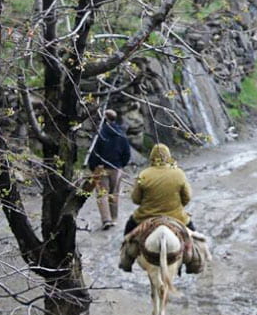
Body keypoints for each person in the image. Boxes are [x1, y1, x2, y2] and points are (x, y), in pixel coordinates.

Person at [119, 144, 202, 273]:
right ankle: (194, 263)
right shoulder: (179, 173)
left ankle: (126, 260)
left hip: (146, 216)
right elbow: (187, 197)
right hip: (176, 216)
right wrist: (178, 206)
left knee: (128, 231)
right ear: (168, 157)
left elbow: (135, 199)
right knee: (194, 236)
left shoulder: (143, 174)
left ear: (152, 157)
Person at [86, 109, 130, 229]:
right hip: (116, 167)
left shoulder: (99, 133)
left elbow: (94, 153)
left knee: (102, 194)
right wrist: (122, 165)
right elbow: (127, 153)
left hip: (101, 168)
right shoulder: (121, 133)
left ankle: (106, 220)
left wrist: (93, 167)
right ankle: (114, 218)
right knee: (114, 193)